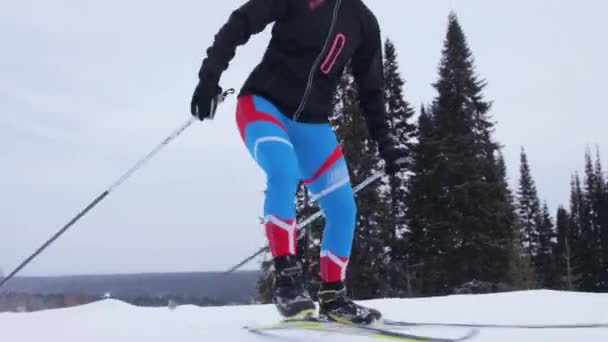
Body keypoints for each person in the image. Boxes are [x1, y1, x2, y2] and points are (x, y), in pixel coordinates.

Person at [190, 0, 407, 324]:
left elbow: (371, 89)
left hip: (312, 124)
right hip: (262, 105)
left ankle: (334, 297)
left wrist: (386, 144)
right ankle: (287, 282)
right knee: (284, 170)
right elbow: (242, 22)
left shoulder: (363, 22)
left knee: (343, 208)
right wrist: (209, 79)